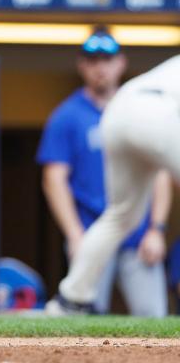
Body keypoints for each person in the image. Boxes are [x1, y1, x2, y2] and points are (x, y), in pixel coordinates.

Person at [38, 28, 170, 317]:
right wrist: (74, 234)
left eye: (106, 60)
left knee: (153, 318)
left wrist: (156, 229)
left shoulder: (138, 109)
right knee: (83, 316)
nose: (101, 68)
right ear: (82, 65)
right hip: (92, 232)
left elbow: (158, 171)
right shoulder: (68, 115)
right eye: (93, 60)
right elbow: (54, 179)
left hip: (139, 236)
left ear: (120, 62)